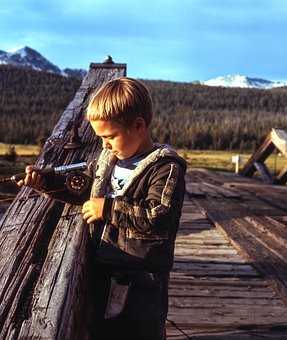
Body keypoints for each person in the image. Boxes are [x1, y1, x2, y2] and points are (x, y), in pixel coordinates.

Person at [18, 77, 186, 340]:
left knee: (142, 332)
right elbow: (81, 187)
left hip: (143, 276)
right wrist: (46, 182)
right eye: (101, 138)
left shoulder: (165, 168)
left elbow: (158, 215)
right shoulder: (108, 160)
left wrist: (107, 209)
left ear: (139, 126)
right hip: (106, 269)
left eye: (109, 137)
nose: (104, 145)